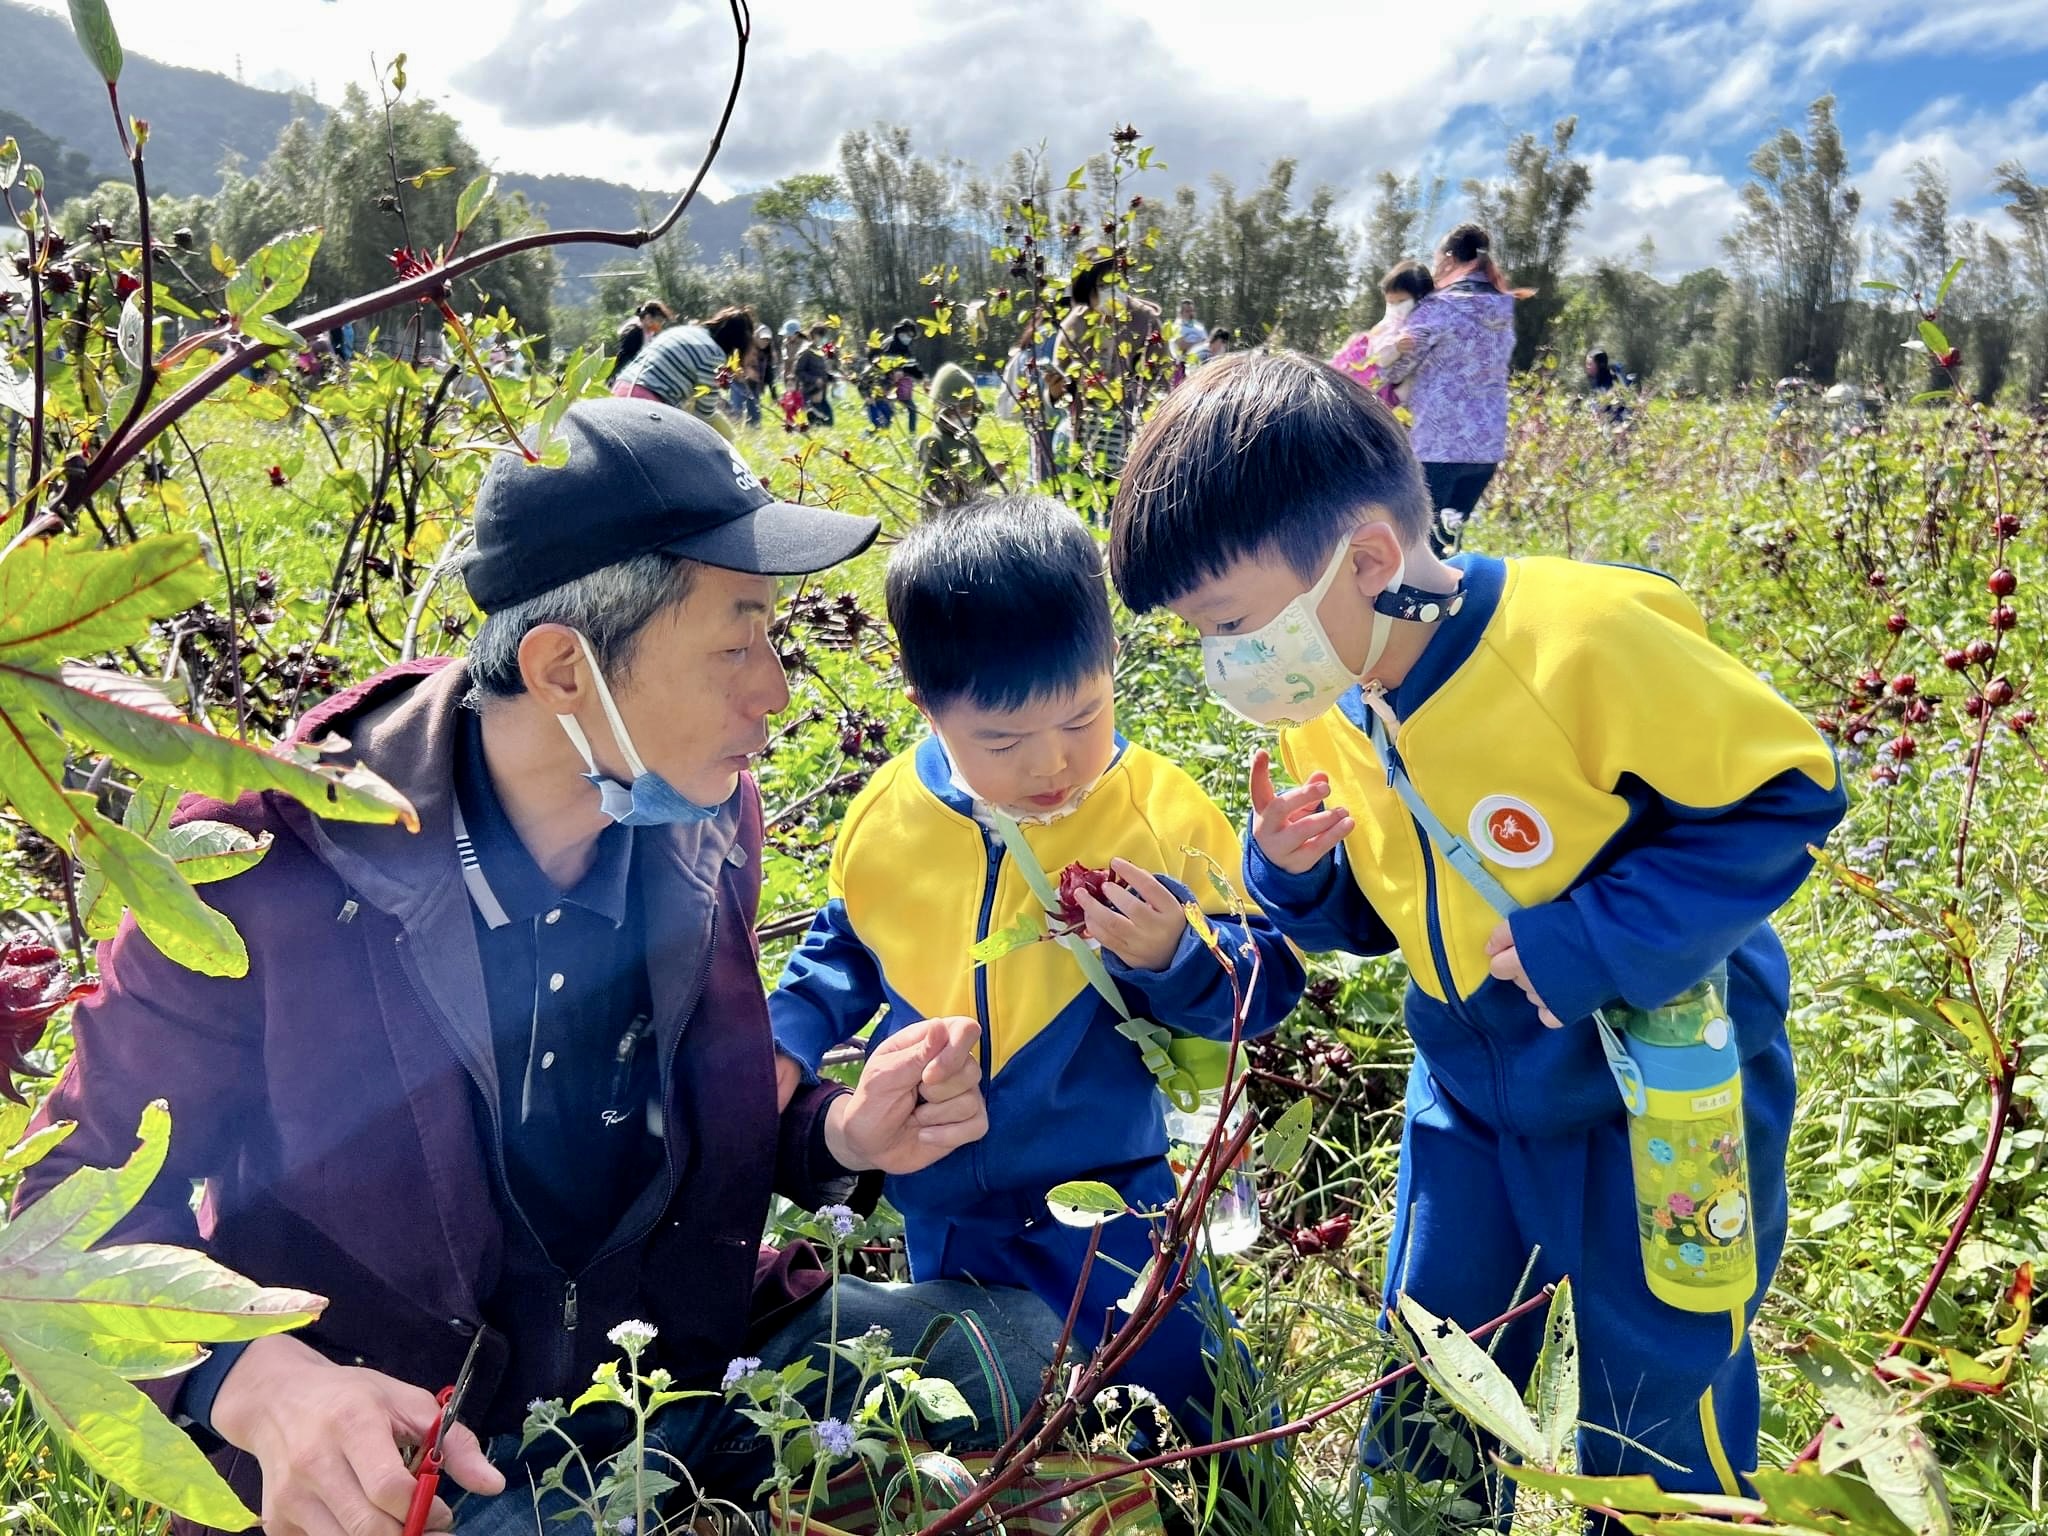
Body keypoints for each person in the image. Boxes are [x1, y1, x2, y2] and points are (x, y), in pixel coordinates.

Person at [19, 399, 1060, 1536]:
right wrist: (261, 1386)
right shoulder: (260, 863)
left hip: (671, 1375)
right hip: (425, 1449)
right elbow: (68, 1209)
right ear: (564, 668)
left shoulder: (702, 815)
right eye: (734, 645)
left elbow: (665, 1101)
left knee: (1016, 1349)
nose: (773, 690)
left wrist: (837, 1134)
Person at [1106, 351, 1847, 1508]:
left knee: (1661, 1393)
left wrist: (1588, 943)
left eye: (1232, 623)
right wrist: (1293, 873)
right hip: (1464, 1089)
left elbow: (1785, 795)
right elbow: (1384, 910)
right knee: (1435, 1368)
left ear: (1365, 561)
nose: (1225, 660)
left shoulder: (1578, 641)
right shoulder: (1334, 694)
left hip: (1662, 1094)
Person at [769, 495, 1305, 1440]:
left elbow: (1261, 990)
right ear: (925, 707)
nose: (1051, 764)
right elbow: (845, 945)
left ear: (1111, 665)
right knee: (1004, 1418)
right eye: (1002, 741)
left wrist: (1174, 955)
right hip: (945, 1204)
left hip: (1113, 1193)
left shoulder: (1159, 813)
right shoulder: (889, 817)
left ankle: (1238, 1494)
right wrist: (784, 1039)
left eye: (1083, 716)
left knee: (1188, 1399)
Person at [1376, 223, 1520, 553]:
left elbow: (1395, 369)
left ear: (1449, 259)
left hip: (1440, 445)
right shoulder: (1502, 307)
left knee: (1420, 546)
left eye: (1436, 257)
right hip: (1486, 446)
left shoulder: (1438, 308)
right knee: (1449, 540)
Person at [1055, 258, 1166, 480]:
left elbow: (1161, 375)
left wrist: (1141, 408)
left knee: (1123, 486)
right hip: (1086, 428)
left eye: (1114, 282)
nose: (1109, 291)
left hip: (1130, 428)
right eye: (1102, 286)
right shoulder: (1076, 323)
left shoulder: (1145, 320)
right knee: (1084, 486)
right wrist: (1058, 387)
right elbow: (1062, 379)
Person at [610, 306, 758, 441]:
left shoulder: (684, 331)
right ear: (738, 345)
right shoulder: (714, 355)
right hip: (647, 405)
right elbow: (704, 418)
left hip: (619, 391)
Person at [1331, 262, 1433, 408]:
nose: (1395, 307)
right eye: (1390, 303)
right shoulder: (1390, 324)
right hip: (1367, 379)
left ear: (1420, 297)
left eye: (1402, 301)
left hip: (1385, 392)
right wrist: (1395, 348)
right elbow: (1378, 357)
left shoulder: (1421, 325)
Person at [915, 363, 1003, 512]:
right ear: (940, 410)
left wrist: (994, 473)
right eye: (954, 410)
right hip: (947, 516)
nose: (961, 415)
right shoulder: (932, 442)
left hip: (974, 513)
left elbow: (981, 477)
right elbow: (930, 489)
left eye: (966, 409)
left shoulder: (970, 440)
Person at [608, 299, 673, 384]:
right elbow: (624, 358)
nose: (660, 325)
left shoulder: (648, 333)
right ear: (648, 317)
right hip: (622, 379)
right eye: (659, 321)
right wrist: (613, 378)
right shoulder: (635, 332)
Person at [881, 318, 927, 433]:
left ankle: (912, 433)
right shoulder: (889, 345)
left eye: (911, 335)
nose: (908, 338)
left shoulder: (906, 349)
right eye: (907, 334)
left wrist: (923, 379)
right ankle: (882, 433)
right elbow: (881, 363)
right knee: (887, 411)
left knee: (912, 409)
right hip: (885, 383)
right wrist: (893, 372)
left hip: (900, 385)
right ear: (900, 332)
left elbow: (913, 368)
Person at [793, 323, 840, 429]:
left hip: (822, 394)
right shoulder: (806, 353)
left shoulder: (821, 353)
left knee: (829, 423)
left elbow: (822, 372)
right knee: (817, 425)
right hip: (811, 395)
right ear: (814, 335)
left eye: (825, 336)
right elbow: (798, 372)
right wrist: (814, 380)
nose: (824, 339)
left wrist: (831, 377)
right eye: (821, 335)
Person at [1167, 298, 1208, 386]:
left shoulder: (1199, 327)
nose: (1190, 313)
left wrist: (1191, 344)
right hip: (1182, 364)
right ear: (1180, 313)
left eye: (1192, 311)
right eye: (1187, 311)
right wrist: (1198, 342)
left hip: (1200, 363)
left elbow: (1207, 343)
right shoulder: (1176, 327)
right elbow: (1182, 346)